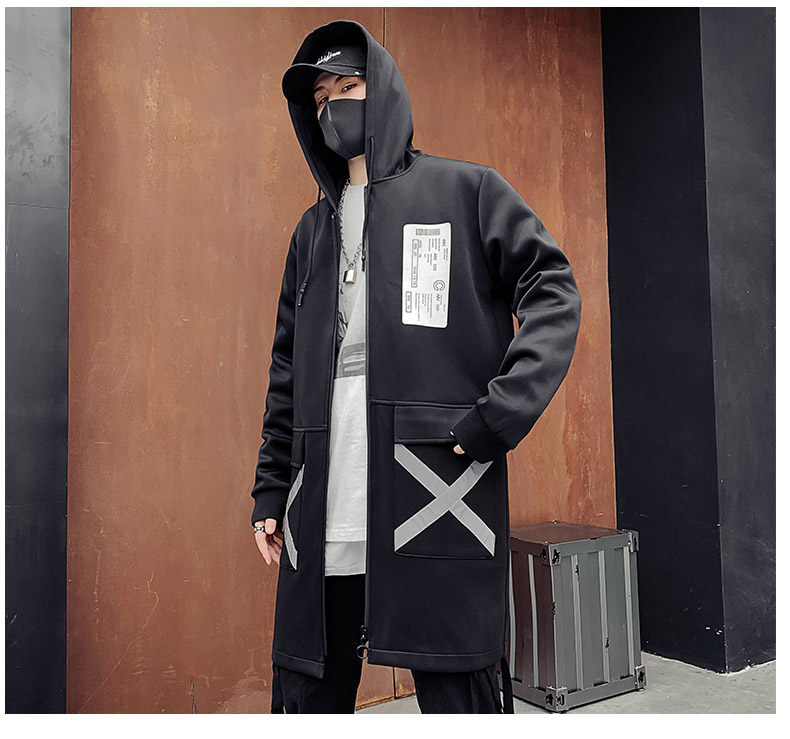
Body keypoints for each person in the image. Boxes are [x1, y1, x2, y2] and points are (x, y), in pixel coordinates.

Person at [250, 19, 581, 714]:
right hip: (323, 505)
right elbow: (286, 370)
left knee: (459, 691)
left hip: (436, 491)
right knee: (307, 694)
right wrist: (271, 490)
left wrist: (499, 415)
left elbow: (552, 291)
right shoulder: (311, 233)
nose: (332, 107)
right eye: (319, 99)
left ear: (383, 90)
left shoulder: (466, 191)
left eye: (347, 87)